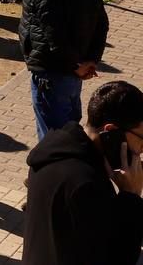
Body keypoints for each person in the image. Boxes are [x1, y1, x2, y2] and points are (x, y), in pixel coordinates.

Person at [22, 80, 143, 265]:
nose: (141, 150)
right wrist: (131, 197)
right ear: (111, 131)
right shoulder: (86, 185)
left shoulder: (52, 152)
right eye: (141, 140)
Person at [19, 0, 109, 140]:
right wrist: (90, 61)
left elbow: (53, 33)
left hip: (52, 73)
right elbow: (101, 22)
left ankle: (49, 174)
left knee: (52, 140)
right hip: (73, 73)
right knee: (69, 132)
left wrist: (76, 65)